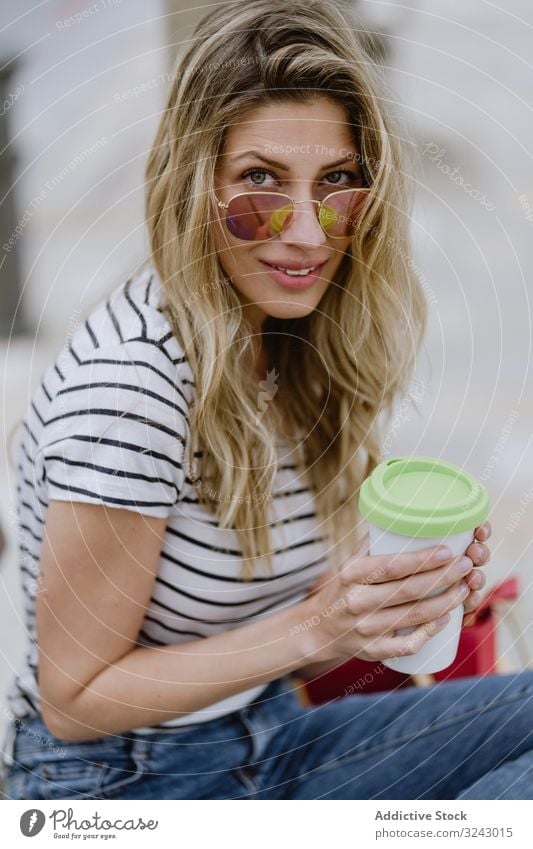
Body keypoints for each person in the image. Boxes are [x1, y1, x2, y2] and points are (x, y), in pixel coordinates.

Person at [1, 0, 532, 801]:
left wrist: (373, 606)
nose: (309, 234)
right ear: (193, 182)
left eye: (336, 183)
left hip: (268, 739)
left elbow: (260, 639)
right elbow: (74, 700)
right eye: (260, 183)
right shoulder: (131, 388)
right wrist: (317, 626)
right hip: (121, 784)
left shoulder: (287, 340)